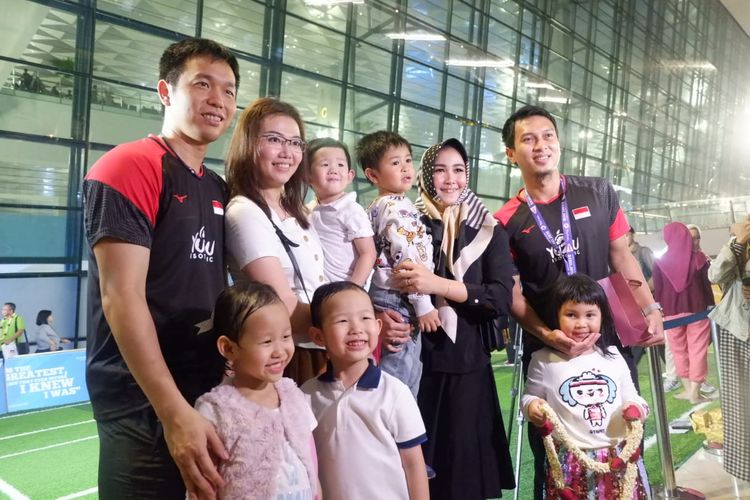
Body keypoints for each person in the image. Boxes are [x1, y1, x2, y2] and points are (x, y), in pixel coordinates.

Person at [83, 38, 239, 499]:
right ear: (166, 92)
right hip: (143, 402)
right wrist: (173, 412)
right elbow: (121, 297)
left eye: (229, 91)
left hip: (204, 388)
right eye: (203, 84)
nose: (218, 100)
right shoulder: (130, 166)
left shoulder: (217, 186)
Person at [493, 105, 663, 499]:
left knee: (626, 444)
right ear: (511, 152)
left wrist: (649, 307)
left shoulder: (598, 192)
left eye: (547, 135)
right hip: (549, 355)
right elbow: (514, 294)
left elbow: (622, 255)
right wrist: (550, 336)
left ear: (559, 141)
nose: (541, 146)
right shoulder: (505, 221)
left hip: (607, 347)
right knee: (554, 458)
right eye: (528, 139)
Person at [392, 138, 516, 499]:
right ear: (427, 176)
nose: (450, 179)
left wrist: (437, 284)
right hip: (415, 361)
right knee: (416, 469)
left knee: (463, 475)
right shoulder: (406, 220)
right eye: (440, 170)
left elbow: (499, 298)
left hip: (466, 365)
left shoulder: (487, 229)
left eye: (459, 170)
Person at [225, 97, 327, 385]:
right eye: (274, 139)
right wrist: (355, 325)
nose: (287, 152)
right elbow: (284, 307)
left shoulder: (295, 209)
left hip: (319, 346)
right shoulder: (245, 212)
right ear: (249, 144)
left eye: (296, 143)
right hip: (291, 359)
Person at [522, 274, 650, 499]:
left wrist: (636, 409)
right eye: (571, 315)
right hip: (571, 461)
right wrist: (532, 407)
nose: (581, 323)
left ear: (602, 316)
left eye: (590, 315)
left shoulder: (613, 356)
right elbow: (529, 397)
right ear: (557, 317)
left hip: (618, 456)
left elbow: (634, 398)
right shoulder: (543, 359)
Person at [301, 281, 429, 500]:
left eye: (365, 318)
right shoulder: (307, 395)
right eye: (342, 320)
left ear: (378, 327)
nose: (356, 328)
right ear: (318, 336)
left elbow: (414, 464)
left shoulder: (395, 392)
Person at [194, 282, 320, 499]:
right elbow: (204, 482)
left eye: (286, 336)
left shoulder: (292, 394)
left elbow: (308, 451)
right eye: (267, 341)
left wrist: (317, 488)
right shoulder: (216, 410)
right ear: (229, 348)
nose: (280, 351)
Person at [357, 130, 440, 397]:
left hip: (393, 297)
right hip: (400, 298)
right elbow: (406, 258)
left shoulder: (381, 205)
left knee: (403, 372)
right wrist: (423, 303)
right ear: (373, 175)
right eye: (395, 163)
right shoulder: (396, 207)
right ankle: (396, 435)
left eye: (407, 160)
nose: (405, 168)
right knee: (400, 381)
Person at [652, 222, 715, 404]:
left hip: (671, 314)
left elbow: (658, 290)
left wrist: (661, 311)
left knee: (678, 351)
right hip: (698, 311)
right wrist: (711, 306)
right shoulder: (699, 259)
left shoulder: (660, 262)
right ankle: (695, 392)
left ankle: (689, 390)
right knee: (698, 350)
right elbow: (706, 287)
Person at [708, 214, 750, 482]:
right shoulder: (739, 241)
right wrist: (738, 240)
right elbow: (716, 275)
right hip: (739, 332)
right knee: (741, 410)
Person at [306, 137, 376, 286]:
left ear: (350, 175)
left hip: (344, 288)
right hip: (319, 289)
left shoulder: (351, 210)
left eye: (340, 164)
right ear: (308, 176)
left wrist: (352, 289)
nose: (334, 170)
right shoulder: (309, 210)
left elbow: (368, 253)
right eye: (325, 164)